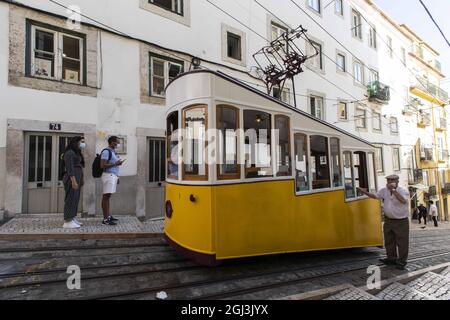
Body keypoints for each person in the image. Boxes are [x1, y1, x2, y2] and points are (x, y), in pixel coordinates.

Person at [357, 174, 410, 270]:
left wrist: (393, 190)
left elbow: (403, 201)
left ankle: (402, 262)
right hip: (388, 220)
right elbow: (375, 196)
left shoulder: (403, 190)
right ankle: (391, 258)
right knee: (389, 241)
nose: (389, 182)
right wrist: (365, 192)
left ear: (397, 181)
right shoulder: (384, 190)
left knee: (402, 243)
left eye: (391, 181)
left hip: (401, 221)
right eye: (388, 180)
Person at [100, 136, 125, 226]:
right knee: (105, 197)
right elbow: (102, 165)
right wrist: (115, 163)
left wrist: (117, 177)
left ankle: (108, 216)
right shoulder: (106, 152)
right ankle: (105, 219)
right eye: (117, 142)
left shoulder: (113, 152)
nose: (118, 144)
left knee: (108, 197)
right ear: (112, 142)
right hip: (108, 176)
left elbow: (114, 165)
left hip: (112, 176)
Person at [62, 136, 86, 229]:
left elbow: (79, 166)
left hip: (77, 177)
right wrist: (73, 181)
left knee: (75, 198)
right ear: (76, 142)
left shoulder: (77, 152)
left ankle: (72, 217)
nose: (83, 143)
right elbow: (70, 168)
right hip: (71, 178)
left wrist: (81, 179)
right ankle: (67, 221)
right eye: (81, 141)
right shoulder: (69, 153)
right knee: (70, 198)